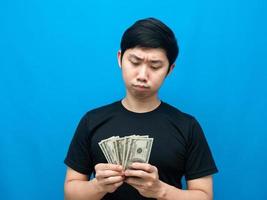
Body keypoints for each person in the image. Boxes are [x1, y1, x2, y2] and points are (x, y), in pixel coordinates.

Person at [64, 17, 218, 200]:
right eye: (135, 62)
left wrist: (160, 190)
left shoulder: (187, 126)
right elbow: (70, 193)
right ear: (120, 59)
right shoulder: (92, 121)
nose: (143, 75)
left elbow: (204, 196)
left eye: (155, 66)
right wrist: (98, 186)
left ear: (170, 69)